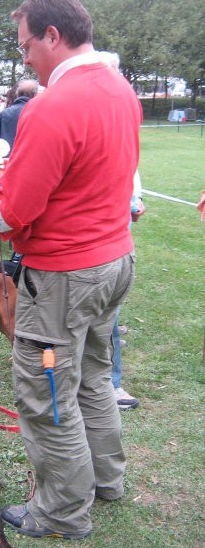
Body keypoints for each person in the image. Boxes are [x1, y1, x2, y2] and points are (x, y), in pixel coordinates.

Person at [0, 0, 141, 539]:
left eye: (26, 45)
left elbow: (12, 215)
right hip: (114, 260)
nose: (24, 57)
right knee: (93, 377)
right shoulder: (121, 90)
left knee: (44, 392)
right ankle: (105, 480)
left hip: (65, 275)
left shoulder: (53, 106)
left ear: (53, 35)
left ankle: (62, 511)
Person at [112, 170, 146, 409]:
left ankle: (111, 385)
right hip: (86, 253)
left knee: (107, 323)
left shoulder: (123, 136)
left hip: (116, 247)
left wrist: (136, 201)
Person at [0, 79, 39, 155]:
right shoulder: (40, 114)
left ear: (17, 94)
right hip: (32, 162)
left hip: (8, 162)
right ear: (35, 95)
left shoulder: (4, 114)